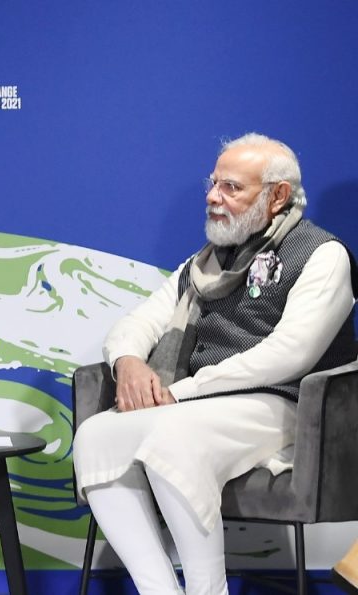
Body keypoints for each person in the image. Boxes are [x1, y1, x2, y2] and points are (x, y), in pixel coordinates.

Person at [72, 133, 357, 595]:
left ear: (277, 196)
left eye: (231, 187)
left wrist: (180, 392)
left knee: (172, 437)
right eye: (213, 183)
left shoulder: (323, 255)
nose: (212, 196)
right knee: (95, 435)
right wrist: (128, 363)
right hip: (198, 405)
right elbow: (138, 322)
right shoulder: (202, 264)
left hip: (285, 405)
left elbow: (291, 353)